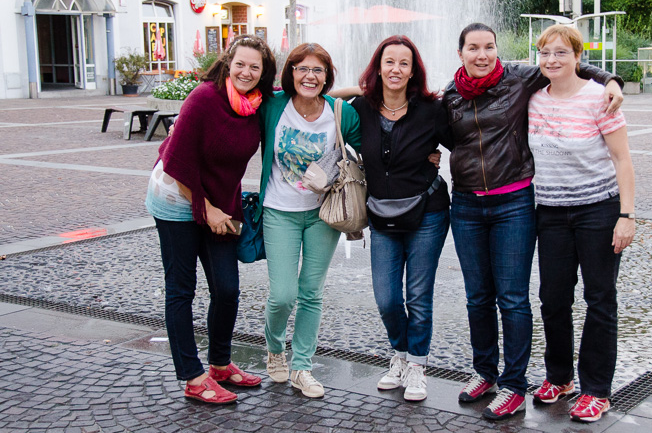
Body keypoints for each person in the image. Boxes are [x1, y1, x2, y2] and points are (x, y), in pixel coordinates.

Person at [442, 22, 623, 421]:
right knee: (481, 297)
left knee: (513, 298)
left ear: (497, 50)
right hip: (469, 205)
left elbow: (567, 63)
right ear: (460, 53)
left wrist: (611, 79)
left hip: (515, 202)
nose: (482, 54)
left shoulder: (519, 79)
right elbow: (438, 132)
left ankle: (515, 386)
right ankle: (487, 372)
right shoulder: (451, 94)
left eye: (489, 46)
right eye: (473, 48)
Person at [145, 35, 275, 404]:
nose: (246, 72)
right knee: (181, 289)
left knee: (227, 288)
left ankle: (219, 364)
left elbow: (304, 91)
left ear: (263, 72)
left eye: (254, 67)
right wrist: (208, 210)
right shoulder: (203, 98)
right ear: (228, 63)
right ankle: (192, 377)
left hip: (219, 201)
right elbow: (176, 162)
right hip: (176, 196)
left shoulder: (257, 103)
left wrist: (361, 91)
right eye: (240, 64)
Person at [526, 25, 634, 423]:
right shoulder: (534, 99)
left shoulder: (599, 99)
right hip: (551, 212)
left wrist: (626, 216)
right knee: (553, 298)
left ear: (577, 57)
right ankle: (560, 378)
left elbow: (622, 159)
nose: (552, 60)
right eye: (545, 53)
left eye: (561, 52)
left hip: (598, 210)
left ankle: (596, 390)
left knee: (600, 298)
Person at [254, 43, 361, 399]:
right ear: (291, 73)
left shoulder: (341, 113)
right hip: (279, 212)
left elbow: (371, 148)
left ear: (327, 76)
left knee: (311, 292)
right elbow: (234, 111)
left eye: (318, 70)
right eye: (302, 69)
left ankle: (302, 367)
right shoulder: (273, 107)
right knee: (283, 295)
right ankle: (274, 347)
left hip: (323, 214)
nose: (310, 76)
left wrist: (427, 155)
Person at [349, 36, 452, 402]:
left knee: (418, 296)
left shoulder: (431, 110)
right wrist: (359, 87)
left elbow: (464, 142)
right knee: (387, 298)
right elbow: (326, 97)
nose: (396, 69)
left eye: (403, 63)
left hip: (428, 212)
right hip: (382, 214)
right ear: (378, 68)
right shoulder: (360, 108)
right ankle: (400, 354)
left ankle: (417, 365)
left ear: (413, 72)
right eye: (388, 62)